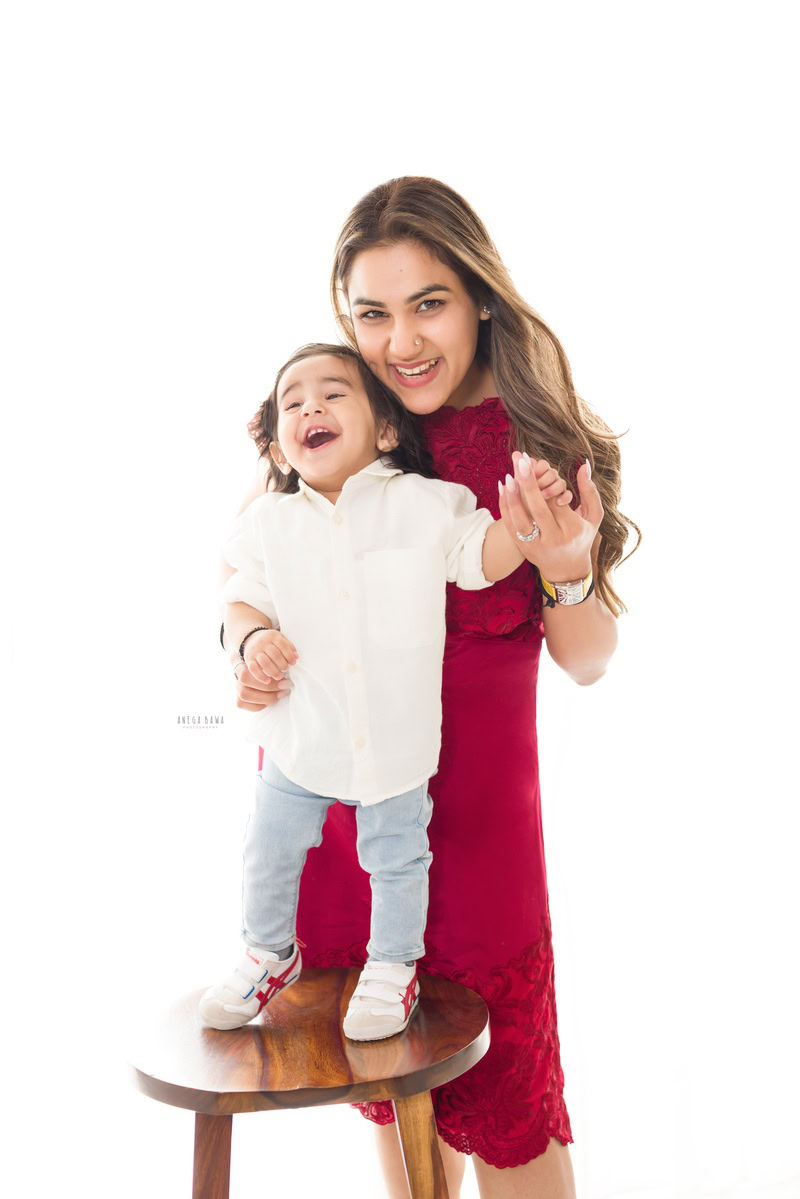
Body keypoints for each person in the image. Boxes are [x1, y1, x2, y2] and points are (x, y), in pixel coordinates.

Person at [221, 178, 639, 1199]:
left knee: (511, 1120)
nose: (399, 340)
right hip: (342, 820)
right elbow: (248, 582)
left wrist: (566, 563)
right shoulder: (333, 422)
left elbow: (584, 659)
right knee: (401, 1120)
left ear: (479, 297)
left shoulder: (533, 447)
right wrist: (248, 647)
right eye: (371, 311)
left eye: (427, 304)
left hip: (484, 847)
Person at [202, 343, 567, 1041]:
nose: (310, 406)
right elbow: (239, 599)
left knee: (399, 858)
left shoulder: (426, 504)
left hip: (394, 741)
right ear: (279, 445)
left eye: (333, 393)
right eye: (292, 401)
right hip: (299, 734)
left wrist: (524, 526)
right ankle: (267, 952)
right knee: (269, 848)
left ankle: (392, 966)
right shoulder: (269, 524)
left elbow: (477, 560)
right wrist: (252, 642)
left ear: (388, 429)